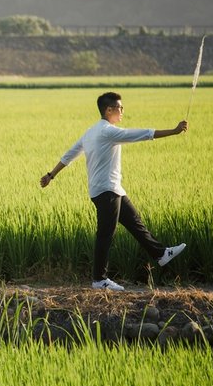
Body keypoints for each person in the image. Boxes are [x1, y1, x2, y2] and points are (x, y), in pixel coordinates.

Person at [40, 92, 188, 291]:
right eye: (120, 107)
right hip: (106, 190)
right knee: (105, 235)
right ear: (108, 110)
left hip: (112, 189)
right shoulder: (107, 131)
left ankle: (161, 254)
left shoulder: (90, 132)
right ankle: (99, 280)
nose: (122, 111)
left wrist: (51, 175)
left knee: (136, 225)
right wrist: (174, 130)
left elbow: (70, 154)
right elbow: (141, 134)